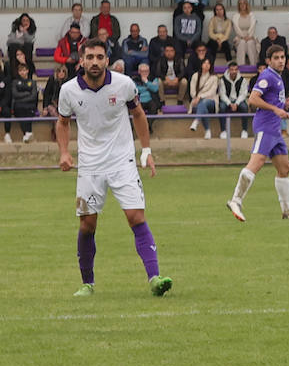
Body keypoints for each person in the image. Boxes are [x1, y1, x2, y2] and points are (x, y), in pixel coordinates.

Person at [56, 41, 172, 298]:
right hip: (90, 165)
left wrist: (147, 151)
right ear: (82, 61)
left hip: (122, 161)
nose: (95, 61)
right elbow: (62, 123)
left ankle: (154, 278)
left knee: (136, 217)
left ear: (107, 60)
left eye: (99, 57)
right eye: (90, 57)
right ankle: (87, 283)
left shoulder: (123, 84)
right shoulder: (69, 90)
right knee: (87, 225)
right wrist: (64, 152)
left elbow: (139, 115)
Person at [225, 45, 289, 221]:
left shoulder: (277, 78)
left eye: (282, 57)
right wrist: (276, 109)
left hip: (275, 129)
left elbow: (270, 100)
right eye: (277, 58)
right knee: (256, 163)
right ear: (269, 61)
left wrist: (282, 105)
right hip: (265, 127)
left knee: (284, 168)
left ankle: (287, 210)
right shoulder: (267, 76)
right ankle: (235, 201)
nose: (281, 60)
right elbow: (253, 99)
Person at [4, 62, 39, 144]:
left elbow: (33, 96)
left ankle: (27, 134)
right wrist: (27, 94)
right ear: (18, 72)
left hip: (30, 105)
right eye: (21, 71)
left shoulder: (32, 82)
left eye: (24, 70)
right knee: (20, 108)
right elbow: (15, 94)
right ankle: (28, 133)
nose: (23, 72)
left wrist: (22, 98)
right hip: (18, 105)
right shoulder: (15, 82)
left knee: (28, 109)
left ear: (27, 71)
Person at [187, 56, 221, 135]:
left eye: (208, 63)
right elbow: (192, 91)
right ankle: (207, 130)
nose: (206, 65)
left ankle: (196, 121)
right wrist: (197, 98)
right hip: (197, 101)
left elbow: (212, 92)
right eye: (204, 63)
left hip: (211, 101)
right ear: (201, 65)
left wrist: (200, 97)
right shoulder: (195, 76)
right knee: (203, 108)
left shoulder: (214, 77)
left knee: (204, 102)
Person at [219, 61, 251, 139]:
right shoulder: (222, 79)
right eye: (232, 70)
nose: (234, 71)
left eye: (235, 69)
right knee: (222, 107)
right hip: (227, 100)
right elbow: (222, 94)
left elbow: (243, 94)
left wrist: (236, 103)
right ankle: (223, 131)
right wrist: (229, 103)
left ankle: (244, 130)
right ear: (229, 70)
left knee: (244, 107)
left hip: (238, 100)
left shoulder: (242, 80)